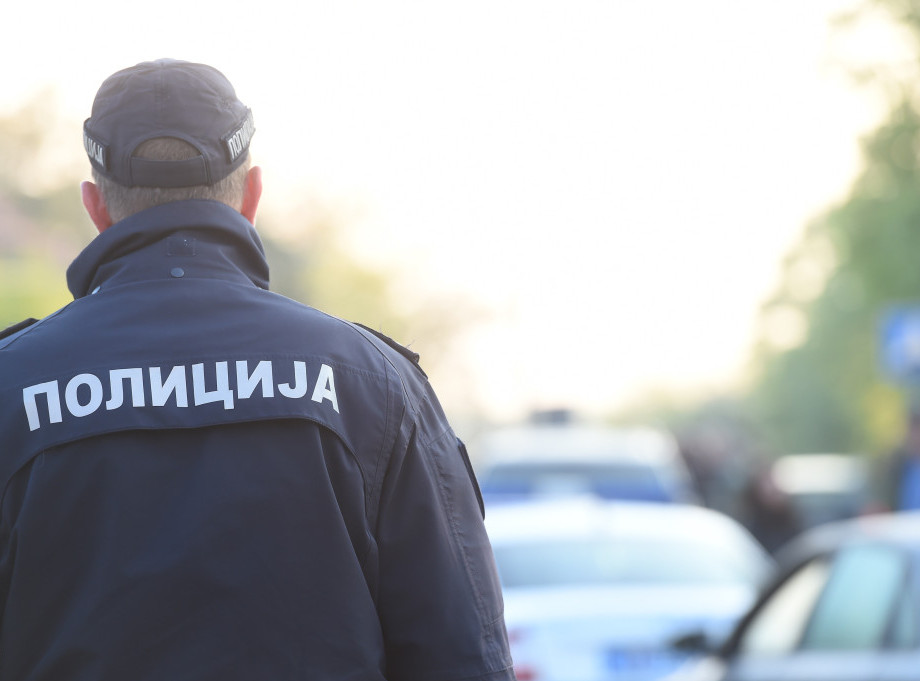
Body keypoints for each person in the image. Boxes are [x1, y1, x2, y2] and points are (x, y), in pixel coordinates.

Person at [0, 59, 515, 681]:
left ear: (95, 206)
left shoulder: (12, 387)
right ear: (251, 195)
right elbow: (463, 658)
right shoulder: (371, 384)